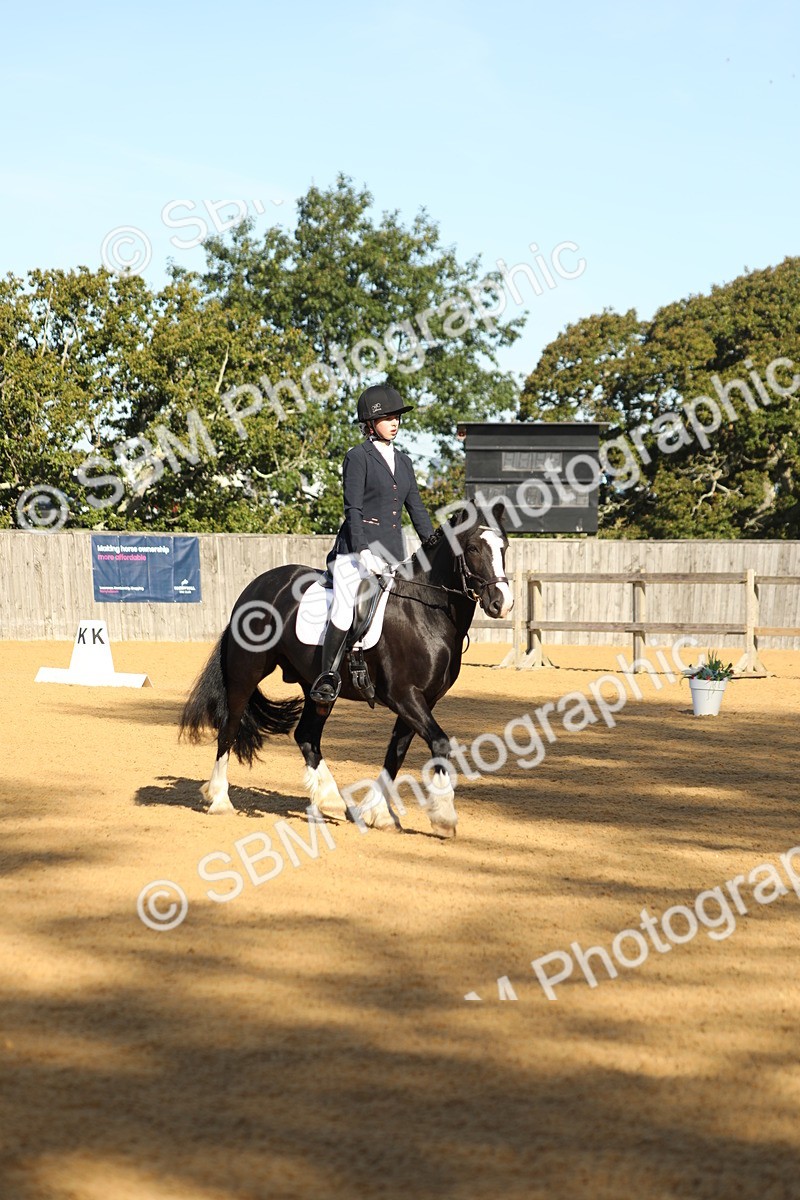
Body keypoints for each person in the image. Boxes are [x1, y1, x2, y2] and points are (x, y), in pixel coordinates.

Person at [309, 384, 436, 706]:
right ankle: (327, 676)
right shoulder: (357, 457)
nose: (395, 423)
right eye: (388, 418)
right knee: (345, 602)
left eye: (397, 417)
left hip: (393, 552)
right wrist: (362, 549)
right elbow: (353, 509)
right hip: (354, 551)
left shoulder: (404, 462)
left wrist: (434, 545)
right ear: (370, 423)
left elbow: (417, 510)